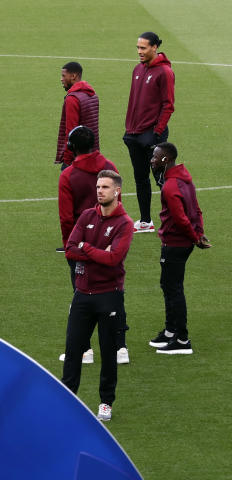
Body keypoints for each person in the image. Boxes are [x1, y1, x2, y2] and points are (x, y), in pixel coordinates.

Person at [61, 171, 134, 422]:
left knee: (108, 352)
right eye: (98, 186)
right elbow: (70, 250)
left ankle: (106, 402)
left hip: (109, 297)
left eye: (105, 187)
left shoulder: (124, 223)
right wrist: (95, 252)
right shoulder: (87, 216)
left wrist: (86, 247)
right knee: (73, 350)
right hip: (82, 295)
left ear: (117, 191)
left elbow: (114, 260)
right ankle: (67, 399)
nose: (100, 190)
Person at [56, 127, 130, 365]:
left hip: (82, 245)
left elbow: (67, 217)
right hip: (109, 243)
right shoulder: (109, 167)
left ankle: (85, 349)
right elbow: (120, 201)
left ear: (72, 148)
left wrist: (72, 246)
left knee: (82, 294)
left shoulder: (68, 175)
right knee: (114, 292)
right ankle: (120, 348)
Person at [148, 142, 211, 355]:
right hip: (184, 242)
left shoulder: (170, 186)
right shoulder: (185, 178)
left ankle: (182, 340)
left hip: (175, 244)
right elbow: (196, 208)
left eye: (155, 157)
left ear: (166, 159)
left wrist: (195, 237)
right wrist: (199, 233)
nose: (152, 160)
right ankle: (169, 331)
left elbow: (181, 218)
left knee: (173, 289)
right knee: (168, 285)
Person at [123, 31, 175, 234]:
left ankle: (173, 221)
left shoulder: (165, 72)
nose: (139, 52)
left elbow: (168, 105)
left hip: (153, 135)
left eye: (143, 48)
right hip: (134, 134)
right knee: (140, 178)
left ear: (155, 47)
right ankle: (145, 221)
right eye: (138, 47)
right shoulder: (138, 69)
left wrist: (157, 133)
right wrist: (129, 129)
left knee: (162, 181)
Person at [55, 62, 99, 169]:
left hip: (76, 160)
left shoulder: (72, 99)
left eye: (63, 76)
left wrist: (67, 161)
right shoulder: (93, 95)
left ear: (73, 76)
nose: (61, 79)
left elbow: (70, 132)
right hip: (93, 155)